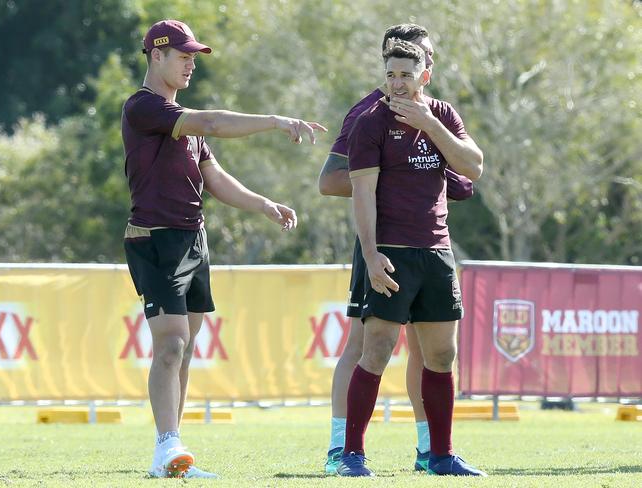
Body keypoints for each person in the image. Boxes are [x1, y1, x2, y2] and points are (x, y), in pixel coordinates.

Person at [121, 19, 326, 479]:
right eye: (183, 55)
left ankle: (171, 447)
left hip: (194, 239)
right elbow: (212, 120)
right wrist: (276, 122)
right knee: (171, 344)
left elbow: (214, 179)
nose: (191, 63)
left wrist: (264, 205)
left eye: (194, 55)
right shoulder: (144, 108)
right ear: (156, 56)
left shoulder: (185, 124)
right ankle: (167, 446)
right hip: (155, 238)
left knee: (186, 348)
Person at [318, 24, 474, 475]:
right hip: (384, 244)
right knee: (368, 345)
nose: (400, 79)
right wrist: (375, 238)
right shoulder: (368, 116)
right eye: (393, 70)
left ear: (426, 70)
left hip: (433, 248)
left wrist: (433, 148)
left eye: (414, 65)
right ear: (386, 66)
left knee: (434, 356)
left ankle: (433, 452)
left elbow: (469, 172)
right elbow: (333, 182)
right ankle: (342, 452)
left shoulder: (442, 114)